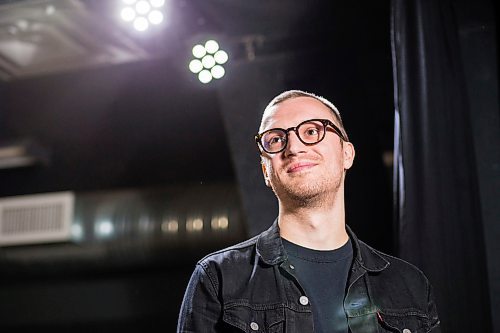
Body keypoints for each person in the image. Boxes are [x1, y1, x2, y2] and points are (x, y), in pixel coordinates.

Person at [177, 90, 440, 332]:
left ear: (346, 154)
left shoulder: (409, 286)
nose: (294, 148)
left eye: (312, 131)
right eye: (276, 139)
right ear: (265, 171)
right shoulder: (218, 278)